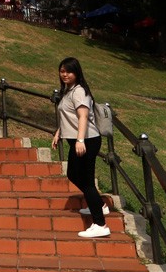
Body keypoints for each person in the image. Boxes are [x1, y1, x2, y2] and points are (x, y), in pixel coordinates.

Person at [51, 57, 111, 238]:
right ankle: (99, 205)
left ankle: (100, 224)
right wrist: (59, 132)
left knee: (85, 180)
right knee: (73, 175)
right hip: (78, 140)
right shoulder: (69, 91)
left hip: (87, 140)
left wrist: (80, 141)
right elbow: (69, 116)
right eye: (62, 71)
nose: (64, 74)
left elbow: (83, 117)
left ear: (76, 73)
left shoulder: (79, 92)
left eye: (68, 71)